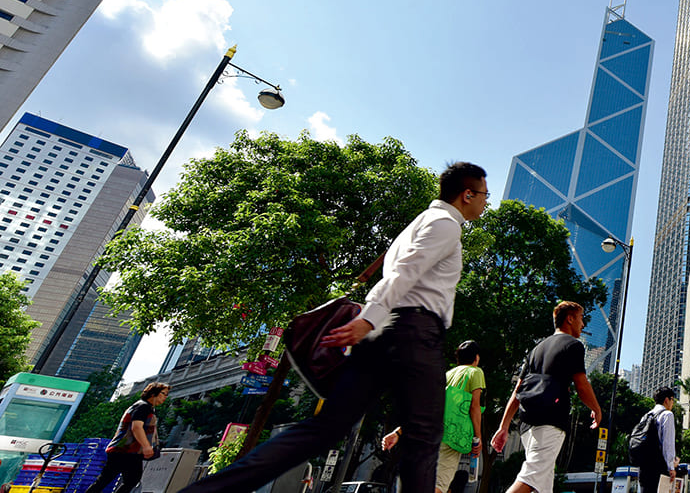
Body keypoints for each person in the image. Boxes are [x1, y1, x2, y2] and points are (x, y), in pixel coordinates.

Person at [182, 162, 489, 493]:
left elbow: (400, 271)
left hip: (382, 334)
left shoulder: (420, 222)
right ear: (466, 194)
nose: (486, 202)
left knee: (326, 428)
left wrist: (371, 322)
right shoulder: (445, 224)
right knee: (425, 436)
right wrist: (368, 317)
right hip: (414, 334)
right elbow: (405, 272)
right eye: (484, 194)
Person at [492, 301, 604, 493]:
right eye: (580, 319)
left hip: (527, 425)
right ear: (570, 318)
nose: (583, 324)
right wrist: (596, 408)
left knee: (542, 485)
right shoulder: (573, 345)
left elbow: (518, 390)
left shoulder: (536, 349)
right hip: (550, 421)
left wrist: (504, 426)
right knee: (531, 476)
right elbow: (582, 385)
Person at [381, 340, 487, 493]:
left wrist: (398, 431)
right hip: (451, 437)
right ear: (476, 358)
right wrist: (478, 439)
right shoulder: (476, 372)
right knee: (439, 485)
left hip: (430, 434)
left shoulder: (446, 375)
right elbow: (474, 407)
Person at [82, 383, 169, 493]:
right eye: (163, 393)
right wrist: (146, 446)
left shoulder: (144, 407)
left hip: (125, 450)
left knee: (110, 480)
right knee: (129, 480)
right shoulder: (143, 407)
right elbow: (136, 427)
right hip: (126, 450)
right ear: (153, 393)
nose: (165, 397)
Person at [637, 387, 680, 493]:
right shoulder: (667, 415)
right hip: (658, 468)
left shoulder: (646, 416)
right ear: (666, 400)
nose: (672, 403)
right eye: (672, 400)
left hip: (643, 468)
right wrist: (671, 467)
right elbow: (668, 443)